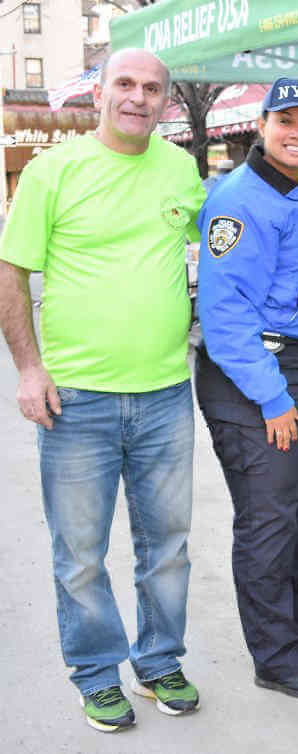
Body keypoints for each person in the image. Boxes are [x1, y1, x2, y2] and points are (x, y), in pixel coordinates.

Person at [0, 49, 204, 732]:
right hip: (76, 398)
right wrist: (30, 368)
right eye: (125, 84)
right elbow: (13, 272)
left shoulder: (181, 169)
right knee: (80, 553)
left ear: (166, 102)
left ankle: (159, 662)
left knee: (168, 545)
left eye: (151, 88)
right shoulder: (53, 171)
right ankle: (95, 674)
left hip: (168, 392)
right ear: (99, 94)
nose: (137, 97)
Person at [193, 77, 298, 700]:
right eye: (284, 120)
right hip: (262, 374)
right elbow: (226, 313)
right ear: (261, 125)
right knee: (269, 519)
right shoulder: (240, 199)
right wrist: (271, 396)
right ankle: (276, 656)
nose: (297, 133)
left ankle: (294, 626)